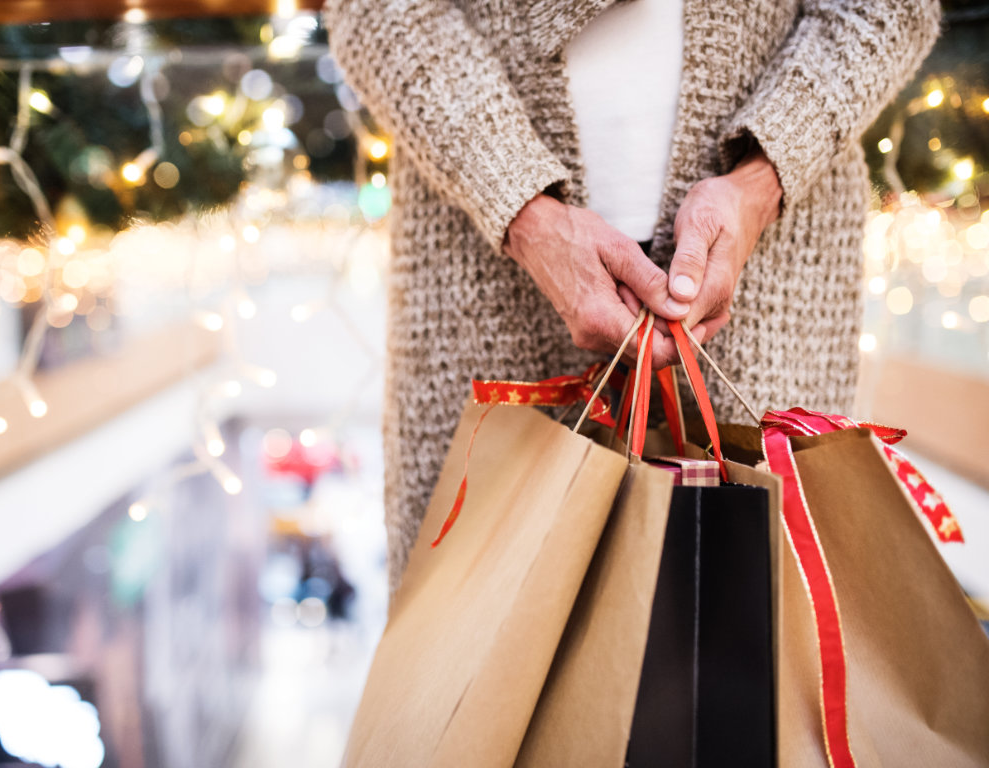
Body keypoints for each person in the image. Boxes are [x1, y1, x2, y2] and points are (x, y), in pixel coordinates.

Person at [326, 0, 941, 593]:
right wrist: (519, 205)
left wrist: (763, 180)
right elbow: (376, 10)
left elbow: (887, 9)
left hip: (772, 262)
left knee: (754, 641)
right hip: (481, 264)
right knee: (473, 646)